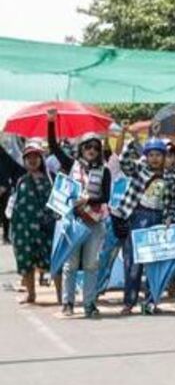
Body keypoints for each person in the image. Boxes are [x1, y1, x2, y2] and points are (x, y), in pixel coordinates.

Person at [48, 110, 112, 318]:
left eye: (95, 147)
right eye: (88, 146)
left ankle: (89, 304)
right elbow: (54, 148)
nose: (92, 150)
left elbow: (105, 197)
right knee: (71, 264)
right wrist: (51, 121)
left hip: (94, 223)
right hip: (73, 222)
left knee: (92, 264)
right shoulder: (71, 165)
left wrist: (88, 201)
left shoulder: (105, 171)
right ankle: (68, 302)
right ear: (81, 149)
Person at [114, 136, 175, 315]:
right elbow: (124, 161)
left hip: (159, 218)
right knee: (133, 263)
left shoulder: (172, 177)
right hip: (138, 216)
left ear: (164, 156)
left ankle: (151, 302)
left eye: (158, 155)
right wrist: (131, 139)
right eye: (150, 154)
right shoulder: (139, 170)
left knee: (155, 262)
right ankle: (129, 302)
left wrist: (169, 217)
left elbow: (174, 202)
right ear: (146, 156)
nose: (154, 158)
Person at [8, 140, 58, 304]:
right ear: (24, 160)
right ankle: (31, 294)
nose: (32, 160)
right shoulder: (21, 180)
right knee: (26, 261)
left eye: (36, 156)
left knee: (54, 260)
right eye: (28, 157)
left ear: (41, 159)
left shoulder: (51, 179)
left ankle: (61, 295)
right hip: (24, 229)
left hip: (46, 228)